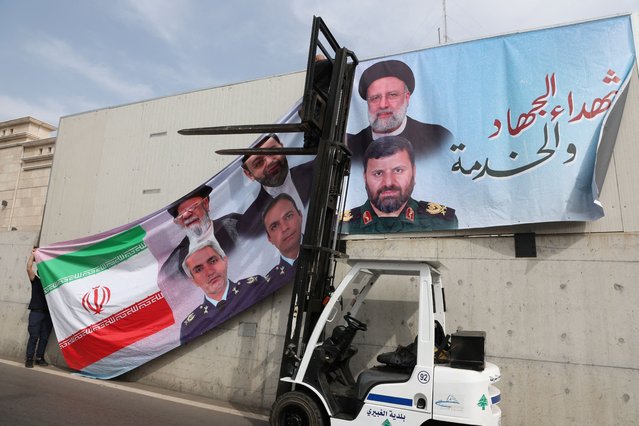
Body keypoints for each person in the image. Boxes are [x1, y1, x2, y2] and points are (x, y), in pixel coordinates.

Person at [342, 136, 458, 234]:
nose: (388, 182)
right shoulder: (341, 225)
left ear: (414, 172)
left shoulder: (443, 222)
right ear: (365, 177)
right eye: (378, 173)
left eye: (398, 171)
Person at [179, 239, 284, 344]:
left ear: (225, 261)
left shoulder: (254, 287)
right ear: (193, 281)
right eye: (198, 270)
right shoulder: (190, 327)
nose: (209, 272)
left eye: (212, 261)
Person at [347, 59, 452, 163]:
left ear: (407, 98)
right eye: (375, 98)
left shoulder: (438, 137)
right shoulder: (351, 148)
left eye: (392, 95)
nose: (383, 105)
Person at [237, 134, 314, 238]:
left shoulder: (317, 170)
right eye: (259, 162)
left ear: (282, 147)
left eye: (273, 152)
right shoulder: (249, 225)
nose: (269, 162)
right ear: (249, 174)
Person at [161, 185, 240, 281]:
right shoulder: (174, 263)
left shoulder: (233, 224)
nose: (187, 215)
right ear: (177, 222)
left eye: (192, 207)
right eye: (181, 215)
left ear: (206, 204)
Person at [261, 194, 303, 289]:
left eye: (288, 216)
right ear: (269, 238)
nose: (284, 228)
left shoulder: (326, 247)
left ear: (300, 216)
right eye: (274, 226)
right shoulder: (269, 285)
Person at [25, 248, 53, 368]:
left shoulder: (53, 286)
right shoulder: (35, 281)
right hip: (36, 313)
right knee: (34, 336)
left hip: (48, 314)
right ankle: (29, 358)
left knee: (44, 337)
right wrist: (33, 255)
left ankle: (39, 358)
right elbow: (28, 268)